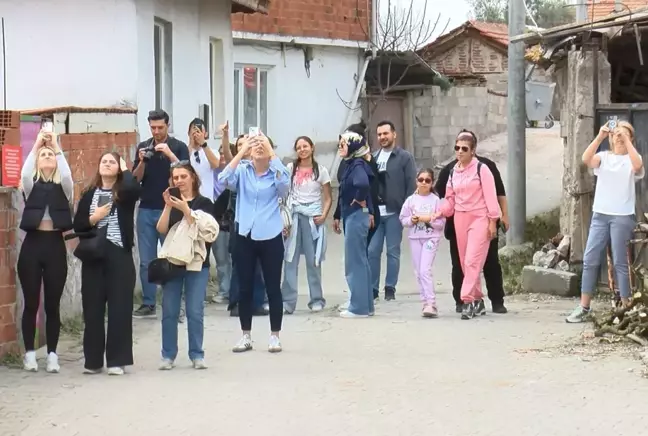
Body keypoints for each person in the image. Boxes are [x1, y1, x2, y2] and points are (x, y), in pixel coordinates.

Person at [566, 120, 644, 323]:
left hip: (622, 216)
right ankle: (584, 306)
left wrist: (626, 139)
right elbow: (586, 158)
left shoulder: (631, 159)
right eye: (617, 133)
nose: (618, 136)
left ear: (631, 137)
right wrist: (600, 136)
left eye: (624, 133)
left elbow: (638, 166)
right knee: (590, 259)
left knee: (620, 261)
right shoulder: (604, 157)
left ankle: (626, 306)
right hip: (600, 214)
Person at [218, 133, 290, 352]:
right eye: (255, 145)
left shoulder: (276, 172)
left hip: (270, 235)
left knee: (272, 287)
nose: (258, 148)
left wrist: (271, 152)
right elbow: (223, 179)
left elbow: (285, 185)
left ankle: (275, 336)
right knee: (245, 287)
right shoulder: (243, 171)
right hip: (245, 236)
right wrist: (241, 151)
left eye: (262, 144)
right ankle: (246, 335)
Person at [73, 152, 141, 376]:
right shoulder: (89, 194)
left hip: (118, 253)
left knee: (120, 308)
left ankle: (116, 361)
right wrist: (94, 217)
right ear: (98, 167)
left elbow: (134, 188)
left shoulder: (124, 193)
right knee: (92, 309)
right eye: (104, 161)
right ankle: (93, 361)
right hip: (94, 253)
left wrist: (126, 168)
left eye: (112, 162)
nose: (108, 164)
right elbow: (79, 224)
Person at [435, 129, 509, 314]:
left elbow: (492, 196)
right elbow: (449, 199)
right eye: (457, 148)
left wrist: (494, 220)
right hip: (460, 218)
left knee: (472, 260)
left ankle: (467, 299)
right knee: (463, 262)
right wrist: (437, 211)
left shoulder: (482, 168)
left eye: (464, 148)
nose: (460, 151)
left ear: (473, 150)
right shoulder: (452, 172)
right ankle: (477, 299)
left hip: (480, 217)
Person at [18, 128, 73, 373]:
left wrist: (56, 146)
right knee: (31, 302)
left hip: (54, 246)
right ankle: (29, 353)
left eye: (51, 155)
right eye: (44, 155)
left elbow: (69, 176)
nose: (48, 157)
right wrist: (37, 145)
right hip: (33, 245)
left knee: (52, 304)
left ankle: (52, 354)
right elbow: (25, 173)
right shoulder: (31, 186)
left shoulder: (64, 186)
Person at [157, 162, 218, 370]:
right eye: (176, 178)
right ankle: (168, 355)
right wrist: (168, 206)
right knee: (169, 310)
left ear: (193, 177)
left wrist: (186, 209)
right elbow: (162, 229)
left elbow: (207, 234)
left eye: (183, 176)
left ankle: (197, 354)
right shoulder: (171, 202)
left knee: (194, 310)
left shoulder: (205, 203)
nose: (179, 181)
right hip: (173, 263)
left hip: (197, 263)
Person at [132, 109, 189, 319]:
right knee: (147, 260)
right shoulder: (143, 146)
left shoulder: (178, 147)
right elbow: (135, 179)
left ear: (168, 126)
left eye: (160, 127)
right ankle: (148, 303)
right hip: (146, 208)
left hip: (171, 209)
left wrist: (169, 155)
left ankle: (174, 302)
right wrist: (141, 161)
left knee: (173, 258)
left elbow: (186, 173)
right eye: (153, 128)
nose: (156, 132)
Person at [282, 136, 332, 313]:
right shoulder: (290, 169)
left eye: (305, 146)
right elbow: (285, 194)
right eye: (298, 147)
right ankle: (287, 302)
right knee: (290, 260)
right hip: (294, 217)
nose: (302, 149)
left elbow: (327, 197)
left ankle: (317, 299)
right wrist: (285, 220)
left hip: (313, 219)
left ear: (312, 147)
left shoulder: (322, 171)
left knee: (314, 261)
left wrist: (324, 215)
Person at [221, 127, 268, 316]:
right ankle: (236, 303)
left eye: (247, 143)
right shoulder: (237, 168)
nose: (245, 146)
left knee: (258, 264)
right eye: (240, 144)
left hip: (260, 221)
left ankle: (255, 302)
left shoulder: (260, 165)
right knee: (240, 263)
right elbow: (225, 167)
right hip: (239, 222)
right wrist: (225, 137)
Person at [368, 120, 416, 301]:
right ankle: (372, 289)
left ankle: (390, 288)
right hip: (376, 213)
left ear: (394, 134)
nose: (382, 137)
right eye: (379, 134)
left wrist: (408, 210)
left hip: (395, 212)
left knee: (392, 251)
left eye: (385, 133)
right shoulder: (372, 157)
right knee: (372, 251)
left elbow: (411, 185)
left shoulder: (405, 157)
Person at [337, 127, 375, 318]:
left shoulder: (357, 165)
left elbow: (362, 184)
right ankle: (365, 305)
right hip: (356, 215)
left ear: (353, 146)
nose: (340, 147)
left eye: (343, 144)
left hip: (355, 215)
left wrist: (359, 199)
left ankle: (358, 308)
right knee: (361, 261)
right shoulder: (354, 163)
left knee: (355, 262)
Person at [399, 168, 445, 318]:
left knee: (425, 269)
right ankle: (424, 302)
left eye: (427, 180)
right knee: (418, 271)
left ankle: (431, 303)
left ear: (432, 183)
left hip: (431, 238)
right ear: (416, 181)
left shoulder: (436, 200)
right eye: (421, 180)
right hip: (415, 238)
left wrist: (429, 219)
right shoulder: (411, 200)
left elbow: (441, 222)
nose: (424, 183)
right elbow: (403, 219)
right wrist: (411, 220)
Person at [210, 142, 235, 305]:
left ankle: (228, 291)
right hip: (213, 221)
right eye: (220, 153)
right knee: (220, 260)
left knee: (229, 259)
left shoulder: (233, 174)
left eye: (225, 153)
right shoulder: (212, 172)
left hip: (227, 222)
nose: (222, 156)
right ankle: (225, 290)